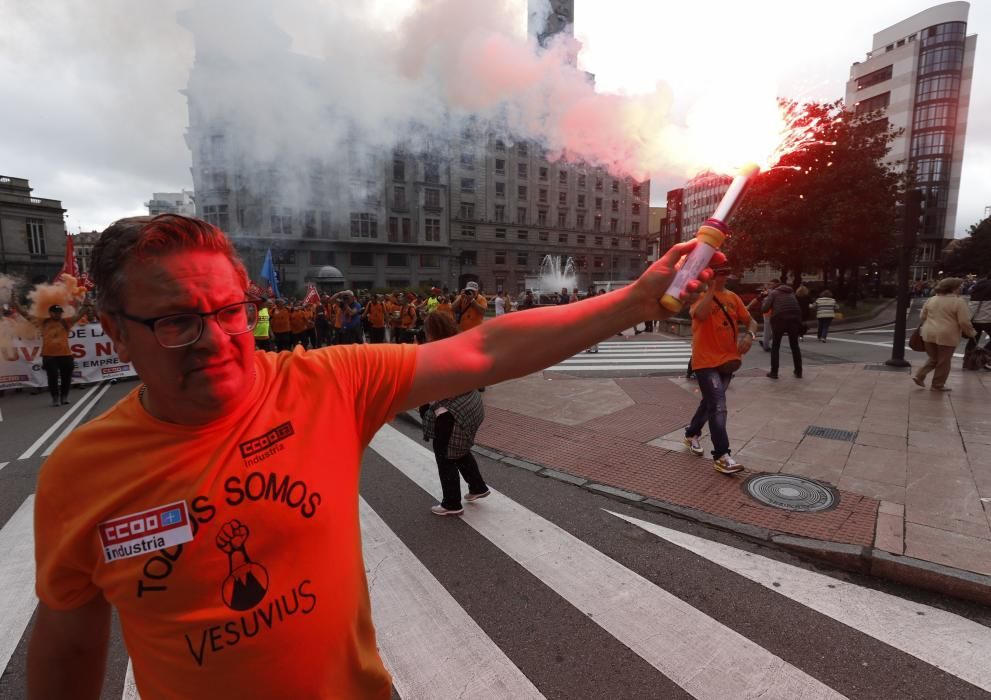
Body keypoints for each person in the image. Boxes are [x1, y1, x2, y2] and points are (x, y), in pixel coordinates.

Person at [27, 213, 715, 700]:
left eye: (230, 310)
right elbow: (69, 639)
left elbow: (483, 350)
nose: (216, 340)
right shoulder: (80, 472)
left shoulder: (326, 383)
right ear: (115, 332)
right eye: (177, 320)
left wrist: (631, 302)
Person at [683, 267, 758, 474]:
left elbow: (751, 322)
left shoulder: (733, 297)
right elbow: (699, 314)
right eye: (717, 273)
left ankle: (691, 433)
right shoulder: (700, 297)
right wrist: (710, 290)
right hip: (705, 361)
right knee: (718, 405)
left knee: (710, 402)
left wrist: (749, 337)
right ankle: (721, 455)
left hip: (728, 360)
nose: (722, 276)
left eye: (725, 272)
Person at [419, 312, 489, 515]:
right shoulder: (458, 345)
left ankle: (452, 504)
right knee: (459, 448)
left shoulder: (435, 353)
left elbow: (425, 382)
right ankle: (478, 487)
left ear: (431, 331)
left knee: (445, 457)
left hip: (451, 412)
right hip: (470, 406)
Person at [10, 295, 93, 406]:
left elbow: (79, 315)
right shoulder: (43, 322)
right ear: (50, 313)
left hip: (66, 355)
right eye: (55, 312)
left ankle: (64, 397)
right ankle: (55, 397)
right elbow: (25, 314)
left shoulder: (66, 322)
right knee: (52, 378)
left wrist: (86, 305)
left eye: (59, 312)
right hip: (49, 356)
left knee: (66, 378)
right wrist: (15, 303)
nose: (58, 314)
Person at [913, 277, 976, 391]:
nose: (961, 288)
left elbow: (922, 316)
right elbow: (963, 321)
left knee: (934, 358)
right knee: (944, 361)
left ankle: (919, 376)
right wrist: (971, 333)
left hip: (928, 333)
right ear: (953, 288)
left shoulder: (931, 299)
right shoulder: (958, 302)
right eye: (959, 286)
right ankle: (937, 385)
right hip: (947, 335)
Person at [761, 279, 803, 379]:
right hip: (795, 319)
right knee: (795, 346)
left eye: (771, 285)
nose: (770, 286)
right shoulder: (791, 293)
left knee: (775, 346)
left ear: (775, 286)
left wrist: (764, 301)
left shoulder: (774, 293)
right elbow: (796, 307)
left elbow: (764, 309)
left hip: (780, 319)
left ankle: (774, 372)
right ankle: (798, 371)